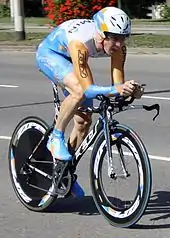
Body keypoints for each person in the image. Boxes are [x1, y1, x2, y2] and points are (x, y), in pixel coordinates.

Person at [36, 6, 144, 197]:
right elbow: (87, 89)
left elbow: (116, 86)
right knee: (78, 91)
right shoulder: (81, 42)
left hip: (71, 59)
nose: (119, 44)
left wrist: (129, 91)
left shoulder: (118, 48)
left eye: (123, 38)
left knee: (84, 122)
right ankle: (56, 137)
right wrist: (115, 89)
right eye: (115, 38)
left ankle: (63, 173)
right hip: (50, 55)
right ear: (102, 34)